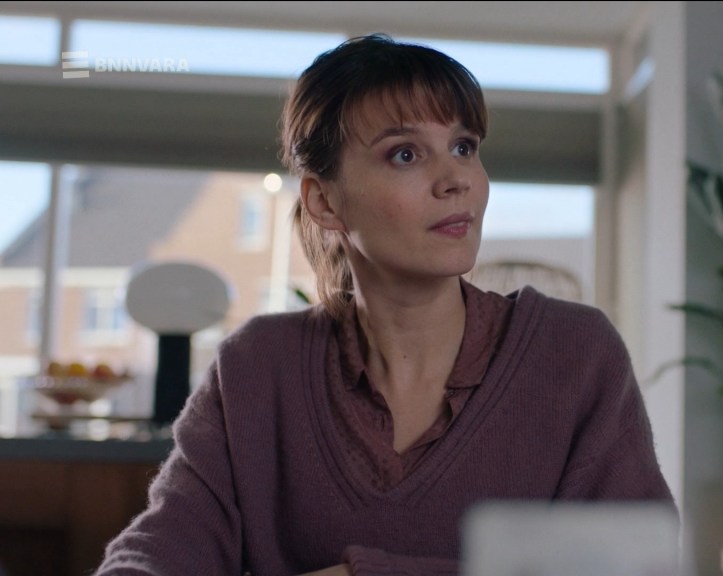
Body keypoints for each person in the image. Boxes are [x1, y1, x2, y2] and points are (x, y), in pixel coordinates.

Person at [96, 33, 675, 576]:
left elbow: (637, 564)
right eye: (405, 155)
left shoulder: (573, 353)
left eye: (464, 147)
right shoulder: (256, 368)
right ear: (324, 201)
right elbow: (155, 553)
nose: (456, 179)